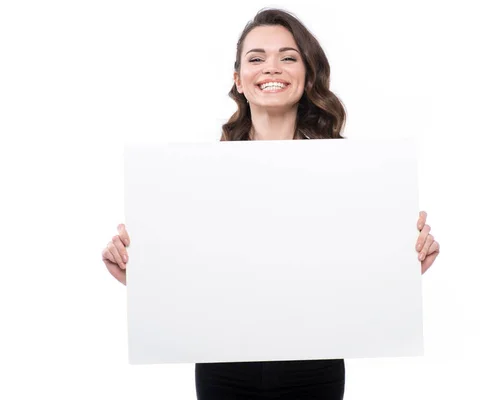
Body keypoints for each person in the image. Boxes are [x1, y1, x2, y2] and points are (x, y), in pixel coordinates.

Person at [101, 7, 440, 400]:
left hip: (315, 365)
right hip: (221, 364)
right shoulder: (193, 180)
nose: (272, 68)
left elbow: (350, 273)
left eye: (288, 57)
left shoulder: (352, 175)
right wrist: (142, 276)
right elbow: (199, 274)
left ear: (307, 75)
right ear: (238, 80)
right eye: (256, 58)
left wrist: (401, 263)